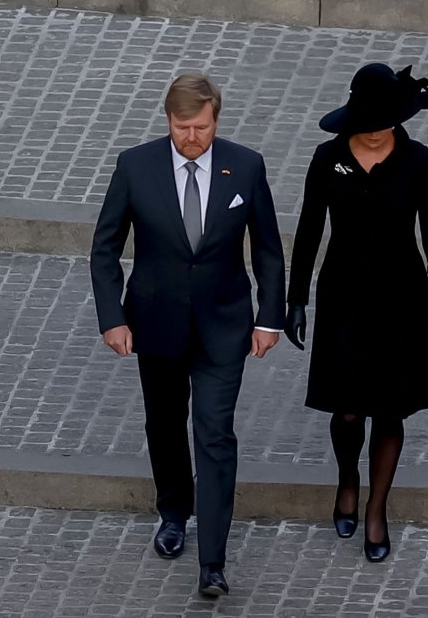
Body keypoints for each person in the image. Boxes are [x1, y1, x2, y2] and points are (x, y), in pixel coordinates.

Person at [90, 73, 286, 600]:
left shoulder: (245, 166)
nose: (191, 137)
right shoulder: (136, 167)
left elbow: (267, 248)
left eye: (200, 127)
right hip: (156, 324)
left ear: (216, 119)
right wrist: (113, 318)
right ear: (168, 120)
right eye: (182, 128)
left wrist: (270, 318)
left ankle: (213, 562)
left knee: (215, 435)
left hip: (225, 326)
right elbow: (105, 248)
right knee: (166, 424)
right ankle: (174, 511)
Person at [284, 62, 428, 563]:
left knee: (390, 409)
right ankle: (347, 478)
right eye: (373, 120)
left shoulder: (417, 160)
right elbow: (308, 232)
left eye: (389, 120)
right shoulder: (327, 159)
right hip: (343, 295)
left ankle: (376, 509)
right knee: (346, 409)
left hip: (402, 297)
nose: (382, 129)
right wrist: (295, 299)